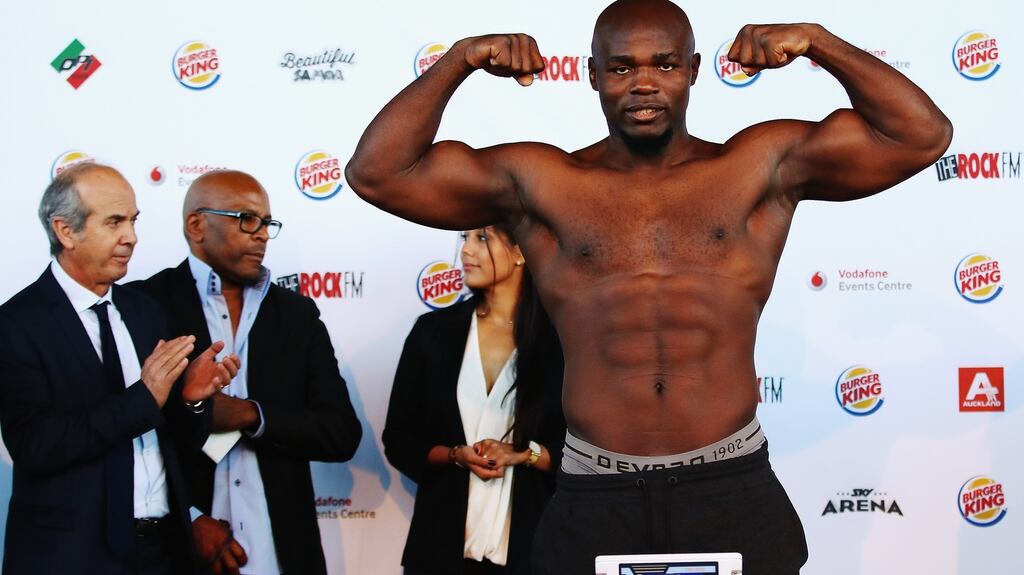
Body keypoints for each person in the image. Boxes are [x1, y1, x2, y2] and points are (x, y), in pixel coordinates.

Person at [345, 0, 953, 573]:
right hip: (593, 493)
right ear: (590, 75)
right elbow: (378, 174)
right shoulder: (542, 181)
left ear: (692, 71)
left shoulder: (758, 167)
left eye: (664, 64)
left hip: (729, 483)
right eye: (621, 67)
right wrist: (459, 60)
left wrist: (820, 43)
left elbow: (920, 136)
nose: (643, 83)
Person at [0, 163, 238, 574]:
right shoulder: (17, 324)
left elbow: (170, 441)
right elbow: (36, 446)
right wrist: (144, 397)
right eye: (114, 222)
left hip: (163, 552)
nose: (131, 237)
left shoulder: (143, 310)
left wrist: (192, 402)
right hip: (71, 557)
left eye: (132, 220)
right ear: (65, 231)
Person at [129, 170, 362, 575]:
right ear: (197, 225)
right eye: (246, 220)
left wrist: (251, 415)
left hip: (282, 554)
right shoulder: (143, 305)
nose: (262, 235)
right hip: (176, 553)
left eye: (267, 223)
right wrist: (187, 517)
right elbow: (127, 439)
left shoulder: (297, 315)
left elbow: (341, 433)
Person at [384, 224, 565, 575]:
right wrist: (456, 456)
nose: (466, 250)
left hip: (532, 554)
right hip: (439, 554)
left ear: (520, 252)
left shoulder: (559, 340)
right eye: (464, 238)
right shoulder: (431, 332)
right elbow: (399, 439)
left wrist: (523, 454)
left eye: (482, 238)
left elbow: (581, 449)